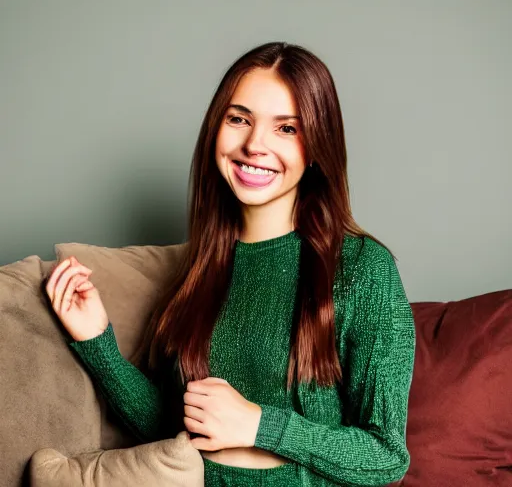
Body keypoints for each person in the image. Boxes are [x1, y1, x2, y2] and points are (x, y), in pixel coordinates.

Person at [45, 41, 416, 486]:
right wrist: (96, 341)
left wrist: (261, 425)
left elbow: (386, 455)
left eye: (287, 129)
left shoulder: (361, 267)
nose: (254, 145)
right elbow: (173, 431)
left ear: (317, 145)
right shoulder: (203, 266)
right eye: (239, 119)